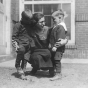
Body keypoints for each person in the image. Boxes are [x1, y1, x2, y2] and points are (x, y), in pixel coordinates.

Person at [12, 10, 35, 80]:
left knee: (25, 60)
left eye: (30, 20)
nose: (29, 22)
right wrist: (16, 45)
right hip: (21, 44)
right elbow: (14, 37)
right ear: (23, 19)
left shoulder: (30, 24)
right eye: (28, 20)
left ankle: (22, 73)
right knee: (21, 53)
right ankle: (17, 65)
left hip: (28, 45)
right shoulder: (18, 25)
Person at [49, 9, 68, 81]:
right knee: (54, 59)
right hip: (54, 47)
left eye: (54, 19)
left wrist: (55, 46)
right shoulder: (56, 26)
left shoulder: (61, 27)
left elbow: (60, 39)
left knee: (57, 60)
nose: (53, 21)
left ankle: (58, 74)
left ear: (60, 18)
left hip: (58, 48)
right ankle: (54, 72)